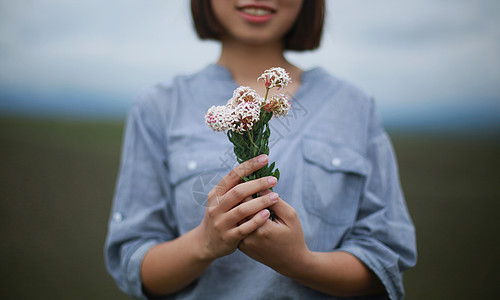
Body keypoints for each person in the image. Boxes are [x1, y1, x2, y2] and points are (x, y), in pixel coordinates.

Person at [104, 1, 417, 299]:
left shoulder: (354, 106)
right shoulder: (158, 107)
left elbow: (386, 259)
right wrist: (204, 243)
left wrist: (300, 263)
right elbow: (134, 264)